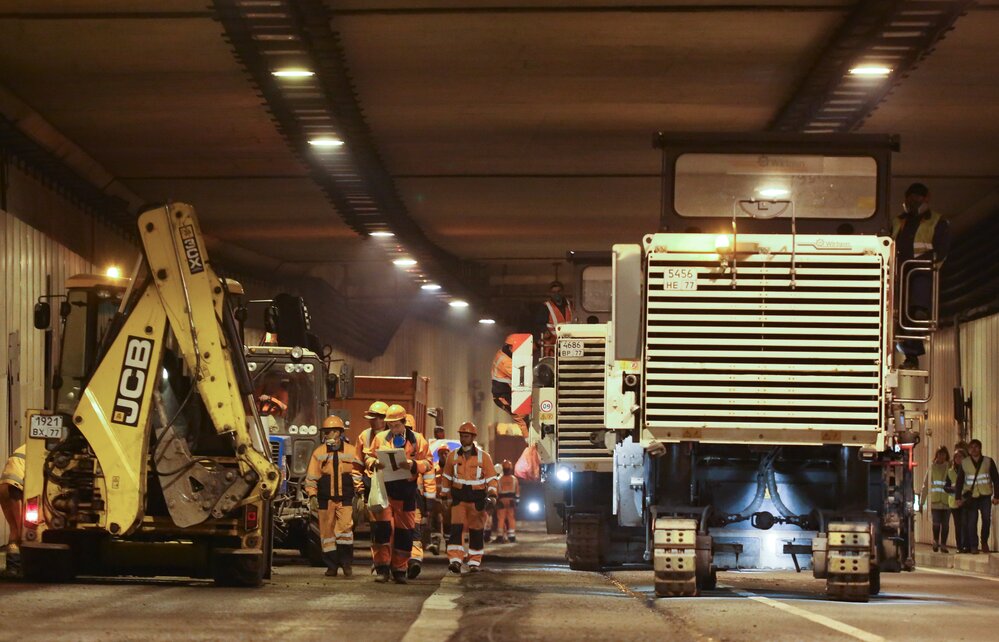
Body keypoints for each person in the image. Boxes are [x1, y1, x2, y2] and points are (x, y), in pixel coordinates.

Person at [365, 404, 431, 584]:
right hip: (385, 492)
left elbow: (428, 463)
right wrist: (374, 463)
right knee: (383, 531)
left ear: (404, 422)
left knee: (404, 533)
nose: (393, 428)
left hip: (406, 493)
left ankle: (400, 569)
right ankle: (382, 568)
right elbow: (368, 456)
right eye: (390, 425)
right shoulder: (380, 438)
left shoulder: (417, 440)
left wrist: (413, 465)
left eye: (396, 425)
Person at [891, 182, 950, 369]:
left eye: (918, 197)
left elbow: (941, 251)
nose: (914, 201)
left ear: (926, 198)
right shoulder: (898, 221)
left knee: (913, 315)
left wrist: (916, 265)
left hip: (920, 274)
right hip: (898, 274)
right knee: (896, 315)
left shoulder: (938, 221)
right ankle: (906, 354)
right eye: (910, 197)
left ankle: (912, 354)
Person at [305, 416, 362, 577]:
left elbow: (357, 474)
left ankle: (346, 564)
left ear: (338, 433)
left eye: (329, 432)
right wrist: (312, 496)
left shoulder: (351, 451)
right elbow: (311, 477)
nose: (327, 435)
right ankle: (331, 566)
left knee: (345, 531)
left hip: (345, 498)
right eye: (325, 432)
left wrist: (360, 494)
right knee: (327, 534)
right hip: (325, 499)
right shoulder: (319, 453)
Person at [440, 422, 498, 573]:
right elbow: (446, 477)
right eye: (461, 435)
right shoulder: (453, 456)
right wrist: (444, 496)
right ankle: (455, 560)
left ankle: (474, 561)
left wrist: (492, 495)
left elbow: (491, 478)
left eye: (466, 436)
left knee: (476, 531)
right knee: (456, 530)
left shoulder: (483, 457)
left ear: (472, 437)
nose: (463, 438)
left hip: (477, 500)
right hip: (458, 499)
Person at [955, 438, 999, 554]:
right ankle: (974, 545)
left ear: (980, 448)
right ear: (969, 450)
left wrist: (997, 496)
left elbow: (996, 479)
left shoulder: (988, 461)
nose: (974, 449)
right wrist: (958, 498)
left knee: (986, 520)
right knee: (972, 522)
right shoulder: (965, 463)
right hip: (971, 497)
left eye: (976, 447)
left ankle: (984, 541)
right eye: (971, 447)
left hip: (985, 495)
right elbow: (959, 481)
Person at [407, 413, 436, 579]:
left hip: (413, 495)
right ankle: (412, 560)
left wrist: (429, 501)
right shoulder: (388, 442)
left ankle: (414, 561)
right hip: (406, 495)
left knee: (414, 529)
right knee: (411, 530)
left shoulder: (419, 445)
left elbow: (428, 473)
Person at [491, 335, 529, 437]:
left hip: (505, 393)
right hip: (502, 396)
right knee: (520, 417)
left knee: (524, 415)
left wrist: (537, 345)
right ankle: (530, 442)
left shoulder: (503, 354)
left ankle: (531, 441)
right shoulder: (506, 361)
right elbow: (522, 377)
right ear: (511, 348)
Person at [0, 445, 25, 573]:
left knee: (14, 528)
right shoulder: (37, 449)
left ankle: (12, 567)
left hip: (3, 487)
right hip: (15, 488)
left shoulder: (22, 448)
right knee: (22, 529)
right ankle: (17, 565)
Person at [920, 446, 951, 552]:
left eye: (943, 454)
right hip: (935, 501)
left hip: (947, 501)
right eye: (939, 454)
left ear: (946, 456)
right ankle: (935, 541)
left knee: (946, 524)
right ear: (936, 455)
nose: (941, 456)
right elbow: (926, 485)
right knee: (936, 523)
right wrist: (921, 502)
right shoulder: (932, 468)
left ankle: (943, 544)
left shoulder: (949, 467)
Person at [535, 280, 574, 358]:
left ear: (563, 292)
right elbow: (539, 323)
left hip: (570, 344)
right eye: (554, 292)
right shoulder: (546, 307)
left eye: (559, 291)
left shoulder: (571, 305)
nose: (557, 294)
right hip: (553, 345)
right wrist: (545, 331)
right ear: (550, 293)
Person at [494, 459, 520, 544]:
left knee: (501, 519)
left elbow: (496, 491)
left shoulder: (499, 479)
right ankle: (511, 536)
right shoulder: (514, 479)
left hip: (501, 500)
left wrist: (497, 501)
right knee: (511, 518)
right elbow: (517, 492)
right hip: (511, 501)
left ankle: (500, 536)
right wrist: (516, 501)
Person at [949, 447, 968, 553]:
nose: (958, 459)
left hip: (966, 500)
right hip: (954, 502)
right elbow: (945, 487)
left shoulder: (968, 470)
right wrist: (952, 487)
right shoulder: (950, 471)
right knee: (958, 525)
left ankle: (967, 545)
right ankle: (959, 546)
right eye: (956, 457)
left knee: (966, 523)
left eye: (960, 456)